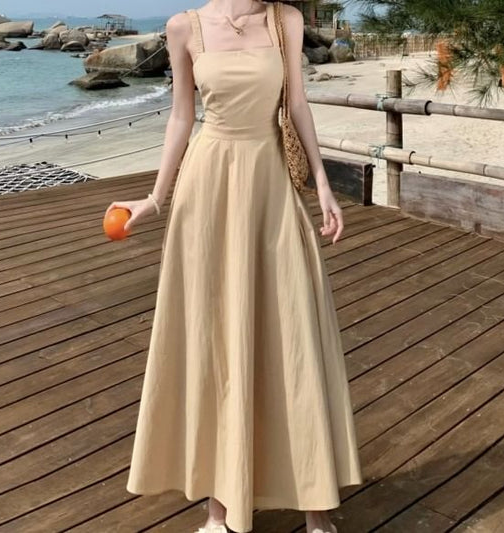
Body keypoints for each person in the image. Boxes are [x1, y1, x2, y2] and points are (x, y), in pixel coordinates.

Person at [106, 1, 364, 532]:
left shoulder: (286, 20)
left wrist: (322, 184)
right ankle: (218, 506)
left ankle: (316, 505)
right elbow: (182, 117)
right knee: (215, 338)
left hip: (270, 183)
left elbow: (297, 105)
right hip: (208, 188)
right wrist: (155, 199)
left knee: (293, 329)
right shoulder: (184, 27)